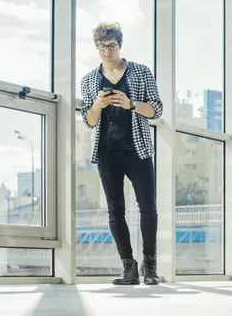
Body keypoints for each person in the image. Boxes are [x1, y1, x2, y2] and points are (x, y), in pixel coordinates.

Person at [80, 22, 163, 285]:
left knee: (148, 207)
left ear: (120, 44)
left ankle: (150, 266)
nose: (107, 51)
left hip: (138, 150)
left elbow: (157, 110)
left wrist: (131, 104)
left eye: (112, 45)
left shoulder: (140, 72)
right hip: (107, 153)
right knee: (115, 211)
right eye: (102, 46)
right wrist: (97, 104)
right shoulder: (90, 80)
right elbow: (89, 121)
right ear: (96, 47)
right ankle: (129, 267)